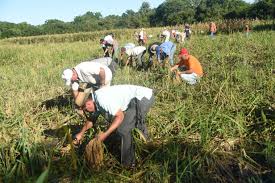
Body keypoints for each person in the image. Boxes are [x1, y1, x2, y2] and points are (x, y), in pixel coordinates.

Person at [74, 85, 154, 167]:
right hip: (140, 97)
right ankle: (148, 148)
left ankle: (129, 165)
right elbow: (92, 119)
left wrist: (105, 134)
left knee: (123, 129)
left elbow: (120, 116)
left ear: (88, 104)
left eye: (85, 110)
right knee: (135, 124)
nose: (87, 112)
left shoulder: (102, 100)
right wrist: (81, 133)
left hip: (141, 98)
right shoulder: (95, 99)